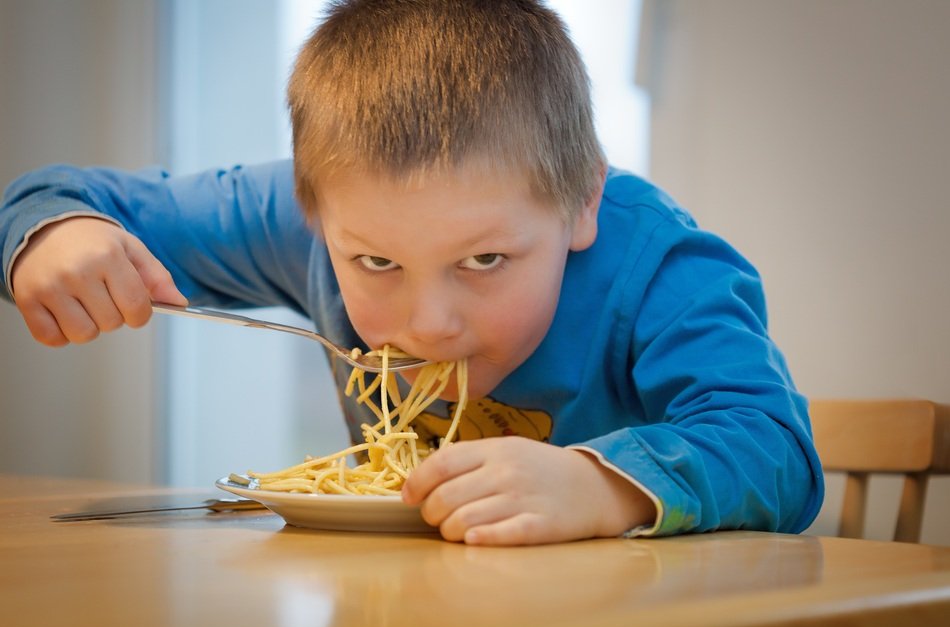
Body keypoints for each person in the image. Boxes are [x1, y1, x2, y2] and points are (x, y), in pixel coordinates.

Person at [0, 0, 823, 545]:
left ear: (581, 203)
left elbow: (776, 446)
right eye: (376, 263)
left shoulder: (657, 267)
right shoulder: (313, 216)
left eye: (486, 260)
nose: (427, 321)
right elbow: (61, 196)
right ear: (315, 211)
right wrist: (57, 233)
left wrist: (599, 488)